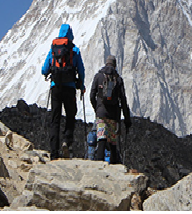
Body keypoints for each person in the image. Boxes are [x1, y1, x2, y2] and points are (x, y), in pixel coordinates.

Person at [41, 24, 85, 160]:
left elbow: (44, 69)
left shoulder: (53, 48)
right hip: (70, 87)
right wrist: (81, 84)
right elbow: (81, 70)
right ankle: (67, 141)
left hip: (55, 87)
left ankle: (54, 152)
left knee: (55, 119)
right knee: (71, 115)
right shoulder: (74, 49)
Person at [89, 55, 131, 163]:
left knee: (101, 138)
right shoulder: (118, 79)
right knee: (112, 141)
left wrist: (97, 108)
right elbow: (123, 99)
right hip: (113, 115)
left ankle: (99, 162)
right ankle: (113, 164)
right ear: (115, 65)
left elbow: (92, 95)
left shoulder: (98, 76)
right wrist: (127, 119)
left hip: (101, 114)